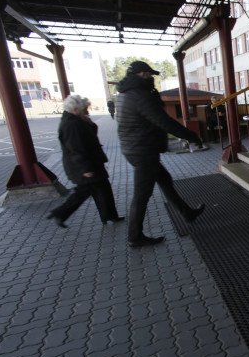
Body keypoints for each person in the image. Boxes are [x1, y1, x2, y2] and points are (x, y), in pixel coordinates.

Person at [116, 60, 205, 248]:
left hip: (136, 147)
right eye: (148, 75)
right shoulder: (140, 95)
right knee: (141, 195)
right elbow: (163, 121)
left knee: (165, 181)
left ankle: (187, 212)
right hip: (143, 151)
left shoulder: (125, 93)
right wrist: (191, 136)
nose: (151, 78)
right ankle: (135, 237)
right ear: (140, 75)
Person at [46, 95, 123, 228]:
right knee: (84, 192)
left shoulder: (76, 120)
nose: (87, 111)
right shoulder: (71, 124)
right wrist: (86, 169)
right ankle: (60, 213)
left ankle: (109, 216)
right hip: (83, 166)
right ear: (76, 109)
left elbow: (90, 135)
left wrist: (89, 122)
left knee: (103, 190)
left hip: (90, 163)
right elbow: (76, 148)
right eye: (85, 108)